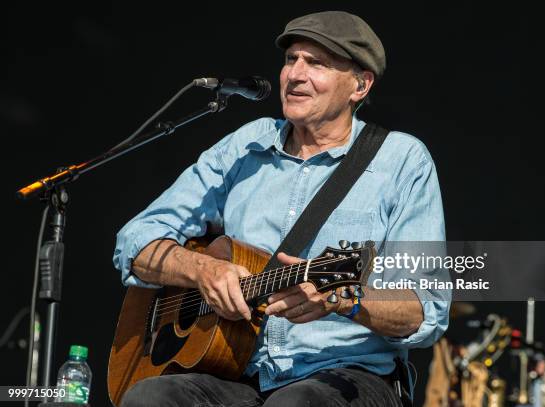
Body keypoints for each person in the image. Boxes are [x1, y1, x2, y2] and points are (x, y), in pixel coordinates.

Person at [113, 10, 450, 407]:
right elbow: (134, 242)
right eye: (291, 59)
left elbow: (424, 310)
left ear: (359, 85)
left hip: (347, 375)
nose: (295, 74)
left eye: (317, 63)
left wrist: (344, 301)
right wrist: (204, 269)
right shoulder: (245, 146)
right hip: (238, 371)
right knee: (150, 396)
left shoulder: (402, 160)